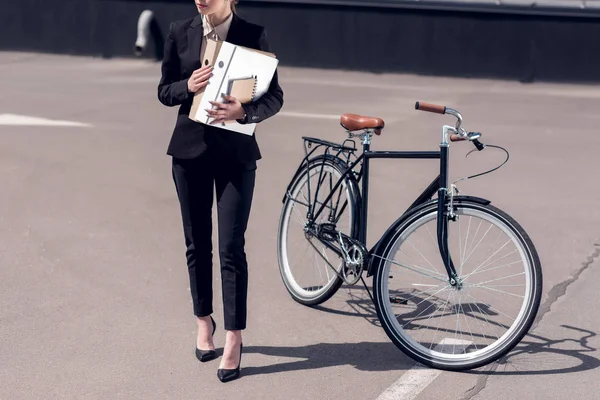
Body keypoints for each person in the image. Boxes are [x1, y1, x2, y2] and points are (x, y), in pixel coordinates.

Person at [157, 0, 283, 383]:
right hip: (189, 153)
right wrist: (187, 85)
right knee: (197, 244)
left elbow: (274, 97)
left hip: (235, 156)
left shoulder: (253, 34)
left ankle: (233, 337)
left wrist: (243, 113)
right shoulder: (180, 31)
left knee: (231, 248)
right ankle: (203, 321)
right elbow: (164, 91)